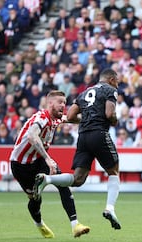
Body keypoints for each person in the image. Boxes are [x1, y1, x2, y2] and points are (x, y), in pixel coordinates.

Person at [33, 69, 122, 230]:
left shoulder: (84, 92)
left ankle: (48, 179)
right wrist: (114, 119)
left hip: (83, 137)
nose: (118, 84)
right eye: (117, 80)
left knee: (78, 179)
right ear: (110, 79)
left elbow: (71, 115)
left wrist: (87, 118)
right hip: (99, 133)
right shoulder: (111, 90)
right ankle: (110, 208)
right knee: (114, 172)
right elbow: (110, 114)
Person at [9, 90, 90, 238]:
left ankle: (75, 225)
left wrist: (92, 117)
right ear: (50, 103)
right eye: (60, 102)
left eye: (64, 103)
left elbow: (71, 118)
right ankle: (39, 224)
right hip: (21, 165)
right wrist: (47, 158)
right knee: (35, 198)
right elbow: (32, 136)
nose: (63, 106)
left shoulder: (56, 119)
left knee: (62, 183)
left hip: (38, 160)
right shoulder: (42, 117)